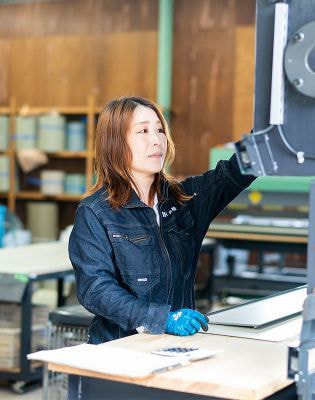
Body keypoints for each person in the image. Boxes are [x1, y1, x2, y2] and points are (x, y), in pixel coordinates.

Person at [68, 96, 255, 344]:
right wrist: (160, 318)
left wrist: (268, 129)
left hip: (175, 347)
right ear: (114, 142)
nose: (156, 140)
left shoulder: (185, 201)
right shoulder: (95, 212)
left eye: (159, 130)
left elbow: (232, 173)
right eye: (143, 131)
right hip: (118, 350)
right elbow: (95, 289)